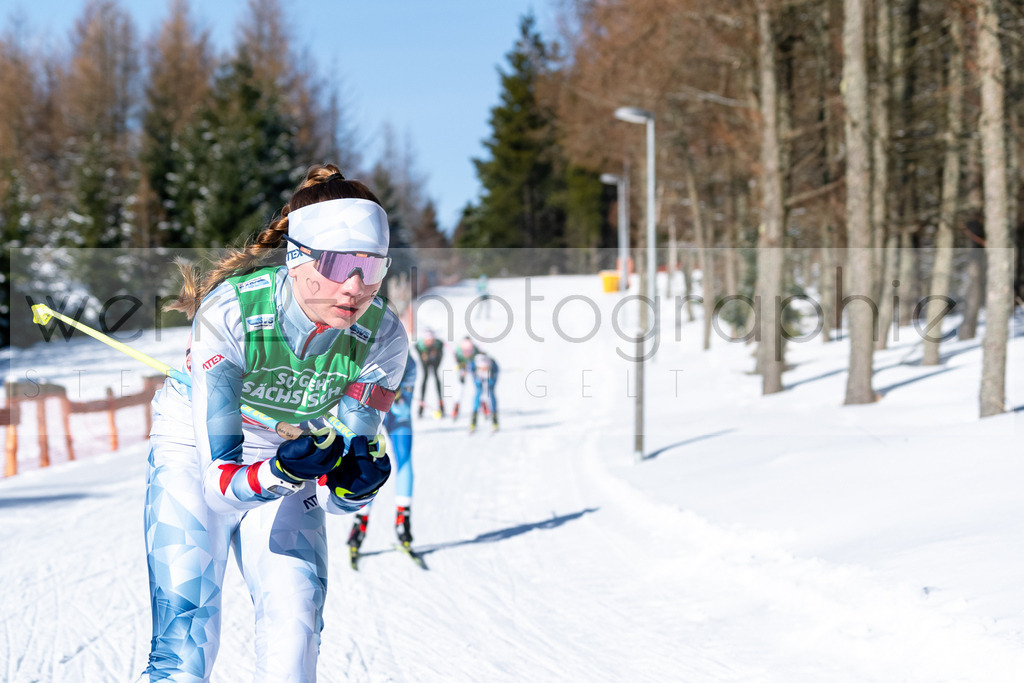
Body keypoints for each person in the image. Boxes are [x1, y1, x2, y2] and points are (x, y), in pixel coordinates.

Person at [144, 165, 408, 682]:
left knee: (296, 633)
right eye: (336, 264)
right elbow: (219, 488)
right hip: (198, 450)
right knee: (187, 636)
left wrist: (357, 487)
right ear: (295, 256)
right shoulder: (231, 314)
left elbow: (337, 496)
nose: (355, 288)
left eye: (372, 267)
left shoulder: (382, 338)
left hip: (284, 451)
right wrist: (283, 471)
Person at [347, 351, 417, 566]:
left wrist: (398, 394)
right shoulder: (367, 351)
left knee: (404, 460)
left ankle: (403, 520)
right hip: (374, 412)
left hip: (396, 415)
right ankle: (361, 520)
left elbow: (404, 408)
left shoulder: (410, 364)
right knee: (366, 460)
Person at [414, 327, 445, 418]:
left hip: (435, 361)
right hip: (426, 362)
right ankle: (421, 406)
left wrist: (436, 356)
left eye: (431, 340)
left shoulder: (438, 344)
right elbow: (421, 358)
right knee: (425, 378)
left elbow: (440, 357)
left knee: (436, 376)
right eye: (428, 340)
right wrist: (424, 356)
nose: (429, 342)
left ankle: (441, 405)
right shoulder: (420, 346)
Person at [468, 350, 499, 433]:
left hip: (490, 376)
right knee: (478, 393)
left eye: (485, 368)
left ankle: (494, 420)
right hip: (478, 377)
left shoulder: (493, 367)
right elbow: (468, 371)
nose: (483, 369)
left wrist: (491, 383)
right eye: (482, 368)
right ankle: (473, 420)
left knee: (491, 393)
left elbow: (494, 379)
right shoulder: (473, 366)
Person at [451, 336, 478, 420]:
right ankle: (456, 407)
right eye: (465, 351)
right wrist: (461, 367)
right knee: (460, 387)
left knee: (478, 386)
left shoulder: (475, 351)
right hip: (463, 367)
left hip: (473, 367)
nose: (467, 353)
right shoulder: (458, 352)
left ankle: (484, 405)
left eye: (469, 351)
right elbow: (456, 360)